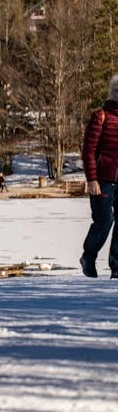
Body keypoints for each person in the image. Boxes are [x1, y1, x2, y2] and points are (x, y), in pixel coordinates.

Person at [80, 74, 118, 279]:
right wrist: (92, 179)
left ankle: (117, 266)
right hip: (102, 180)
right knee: (104, 220)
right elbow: (88, 151)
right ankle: (89, 257)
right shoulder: (101, 116)